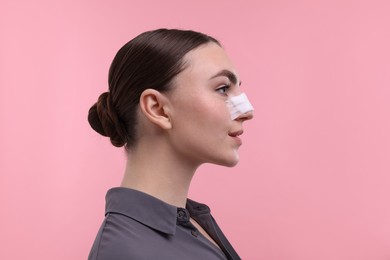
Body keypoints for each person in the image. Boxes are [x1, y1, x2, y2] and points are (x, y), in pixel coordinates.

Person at [87, 28, 254, 260]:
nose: (247, 110)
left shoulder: (193, 222)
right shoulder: (126, 251)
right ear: (158, 109)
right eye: (223, 89)